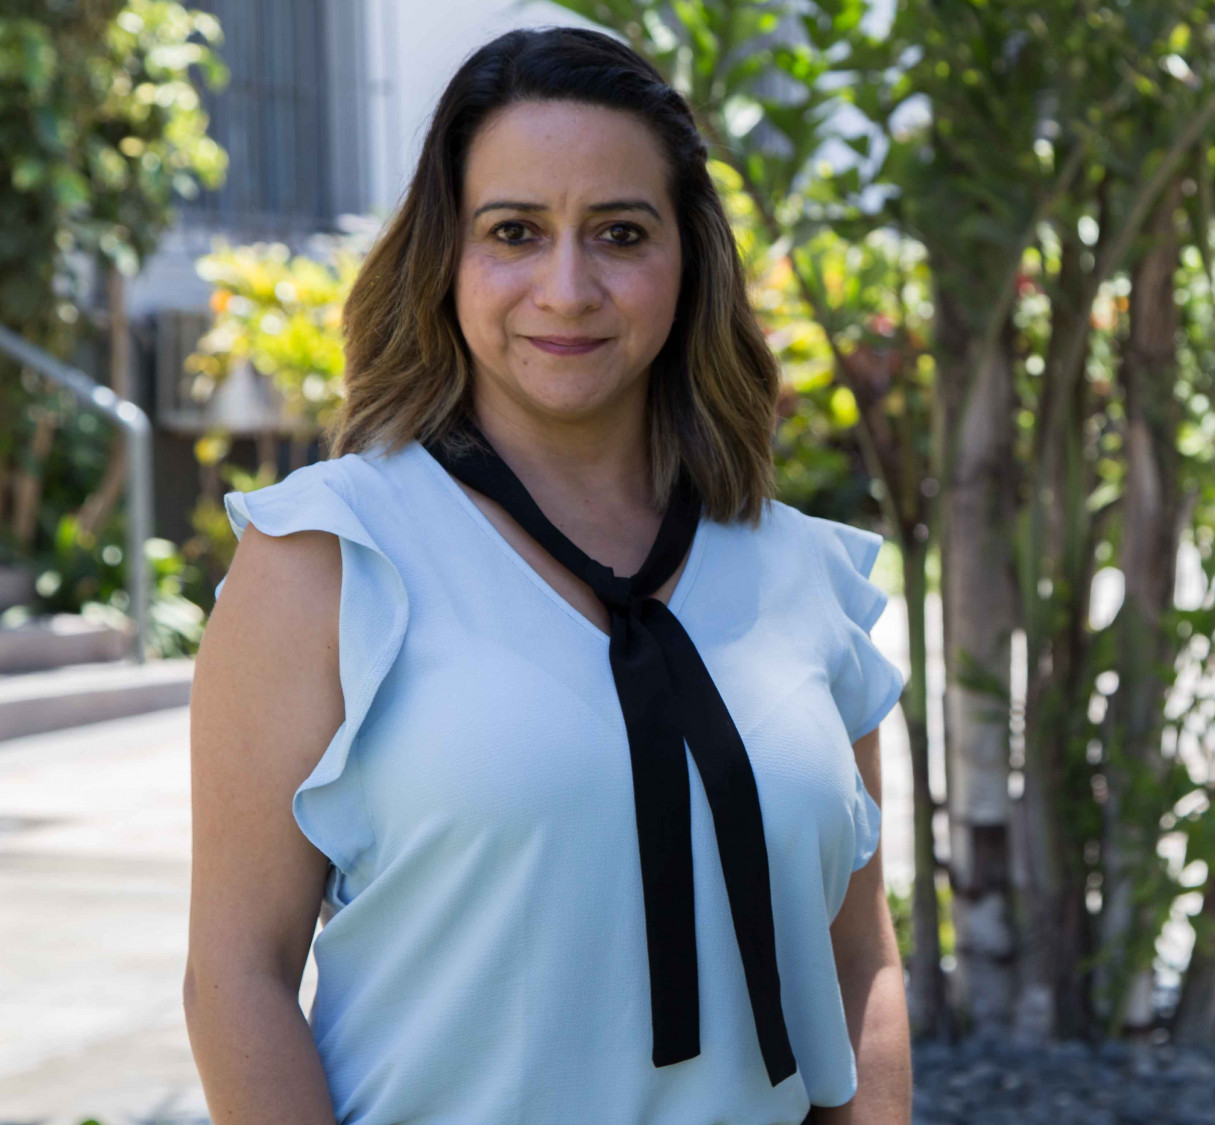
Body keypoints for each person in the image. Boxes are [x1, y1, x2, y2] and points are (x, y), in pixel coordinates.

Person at [183, 26, 910, 1124]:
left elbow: (861, 966)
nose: (566, 289)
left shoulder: (806, 575)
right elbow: (237, 976)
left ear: (688, 259)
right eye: (513, 231)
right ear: (445, 256)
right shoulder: (327, 557)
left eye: (620, 233)